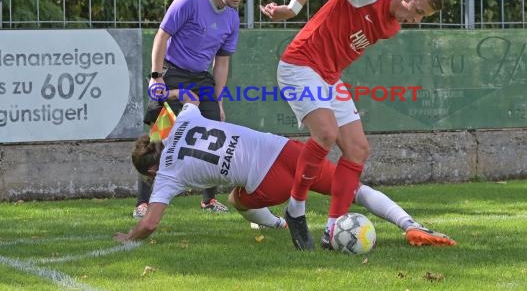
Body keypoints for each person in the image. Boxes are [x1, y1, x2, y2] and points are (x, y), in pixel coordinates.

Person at [114, 91, 456, 249]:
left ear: (153, 168)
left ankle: (282, 222)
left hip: (269, 181)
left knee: (237, 198)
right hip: (286, 149)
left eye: (150, 177)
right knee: (351, 187)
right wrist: (165, 94)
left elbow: (151, 222)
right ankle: (410, 225)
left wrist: (130, 237)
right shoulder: (186, 118)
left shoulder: (167, 173)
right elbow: (190, 95)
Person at [259, 0, 443, 250]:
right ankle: (295, 209)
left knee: (358, 150)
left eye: (423, 18)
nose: (416, 21)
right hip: (300, 64)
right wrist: (293, 8)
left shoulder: (392, 26)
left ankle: (332, 230)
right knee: (326, 134)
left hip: (329, 78)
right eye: (418, 12)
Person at [133, 0, 252, 218]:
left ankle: (208, 200)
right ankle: (143, 203)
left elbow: (222, 62)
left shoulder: (231, 18)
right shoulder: (190, 1)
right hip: (172, 72)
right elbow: (162, 36)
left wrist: (218, 101)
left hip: (201, 79)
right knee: (158, 138)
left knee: (215, 137)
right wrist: (156, 76)